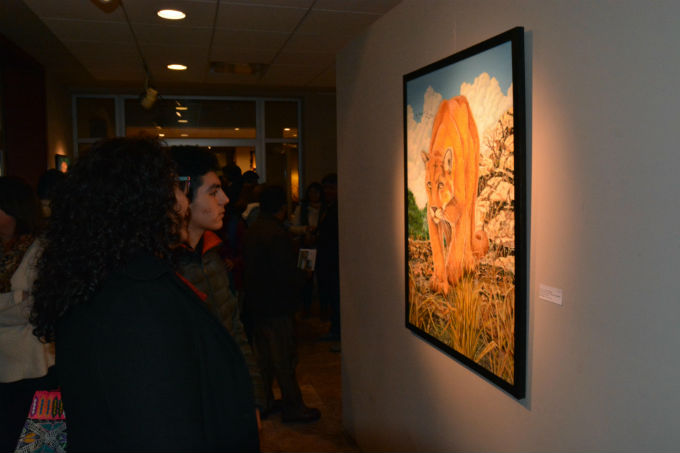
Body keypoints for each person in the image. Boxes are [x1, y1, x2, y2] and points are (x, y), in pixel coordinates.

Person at [29, 138, 259, 452]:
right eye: (177, 189)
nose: (184, 202)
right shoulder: (138, 302)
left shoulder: (99, 281)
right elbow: (160, 426)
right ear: (144, 203)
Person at [170, 146, 266, 415]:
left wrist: (254, 399)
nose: (224, 199)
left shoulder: (212, 255)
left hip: (228, 397)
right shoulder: (164, 269)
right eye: (213, 192)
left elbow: (235, 330)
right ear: (182, 197)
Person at [244, 185, 321, 423]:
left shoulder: (254, 229)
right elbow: (284, 273)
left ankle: (265, 401)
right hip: (277, 305)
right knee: (284, 358)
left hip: (257, 303)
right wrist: (303, 275)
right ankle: (293, 406)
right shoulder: (277, 234)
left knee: (264, 358)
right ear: (281, 208)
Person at [0, 176, 56, 452]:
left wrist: (16, 301)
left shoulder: (40, 249)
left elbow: (35, 308)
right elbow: (20, 304)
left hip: (29, 369)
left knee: (28, 443)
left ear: (14, 211)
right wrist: (14, 299)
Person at [289, 182, 325, 317]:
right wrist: (305, 229)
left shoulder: (325, 208)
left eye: (316, 192)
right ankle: (306, 308)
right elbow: (293, 227)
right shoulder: (302, 208)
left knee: (322, 279)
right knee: (306, 280)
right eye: (311, 192)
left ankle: (323, 309)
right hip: (306, 247)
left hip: (321, 247)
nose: (313, 195)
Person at [317, 173, 340, 347]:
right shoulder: (326, 207)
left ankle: (337, 330)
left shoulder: (337, 209)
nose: (327, 191)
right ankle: (334, 328)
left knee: (336, 297)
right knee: (331, 296)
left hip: (334, 261)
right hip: (326, 259)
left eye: (331, 188)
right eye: (325, 188)